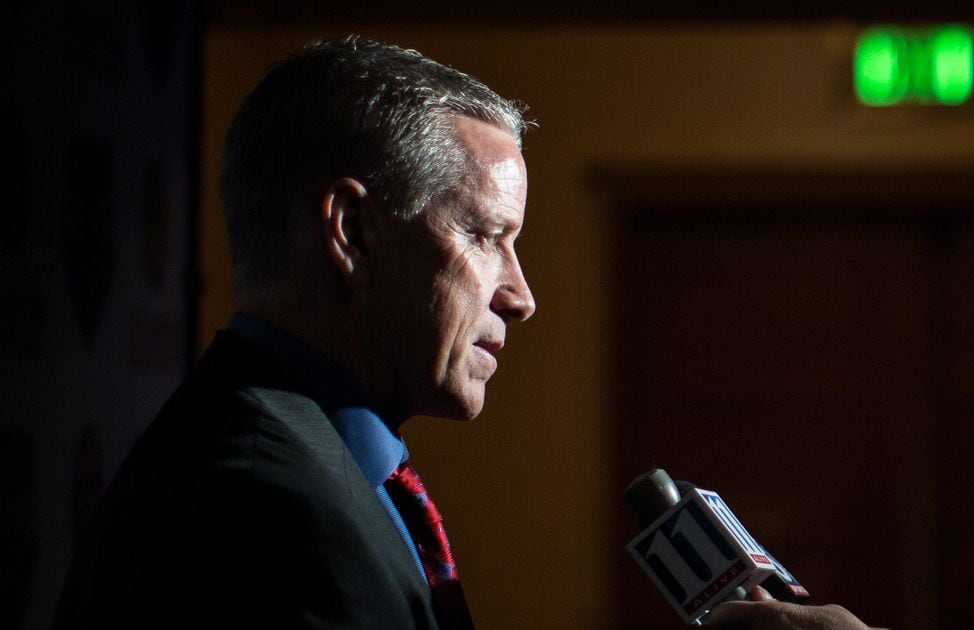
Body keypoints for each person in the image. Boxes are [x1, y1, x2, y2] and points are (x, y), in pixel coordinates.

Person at [54, 36, 877, 629]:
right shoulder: (269, 504)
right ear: (351, 233)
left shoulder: (298, 462)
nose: (520, 296)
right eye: (487, 236)